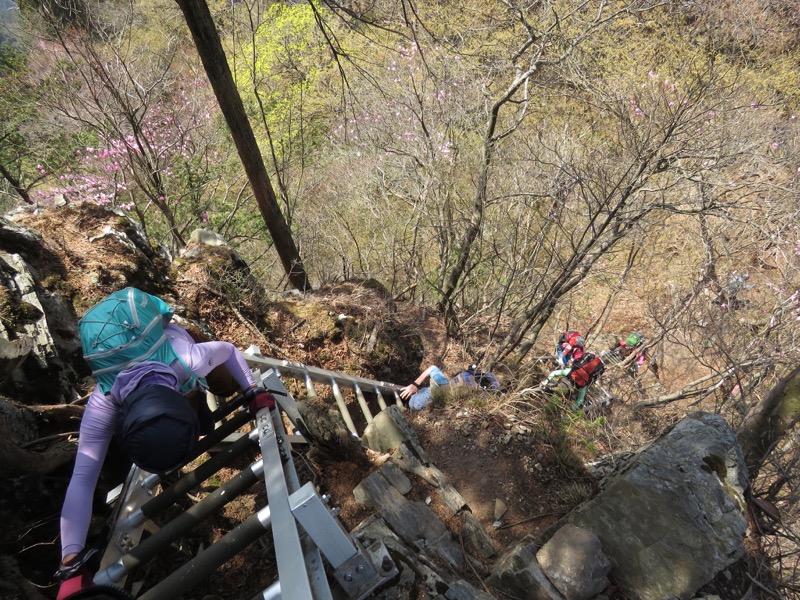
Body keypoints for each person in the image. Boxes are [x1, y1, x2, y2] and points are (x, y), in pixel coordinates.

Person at [56, 289, 275, 599]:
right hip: (157, 366)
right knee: (201, 421)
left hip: (176, 340)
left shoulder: (189, 360)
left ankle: (210, 400)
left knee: (223, 387)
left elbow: (227, 349)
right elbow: (82, 478)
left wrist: (249, 392)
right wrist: (69, 563)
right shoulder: (105, 404)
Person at [399, 363, 500, 410]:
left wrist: (415, 385)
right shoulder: (441, 383)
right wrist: (415, 384)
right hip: (433, 390)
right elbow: (433, 368)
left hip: (432, 392)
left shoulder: (418, 402)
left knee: (414, 402)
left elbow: (433, 368)